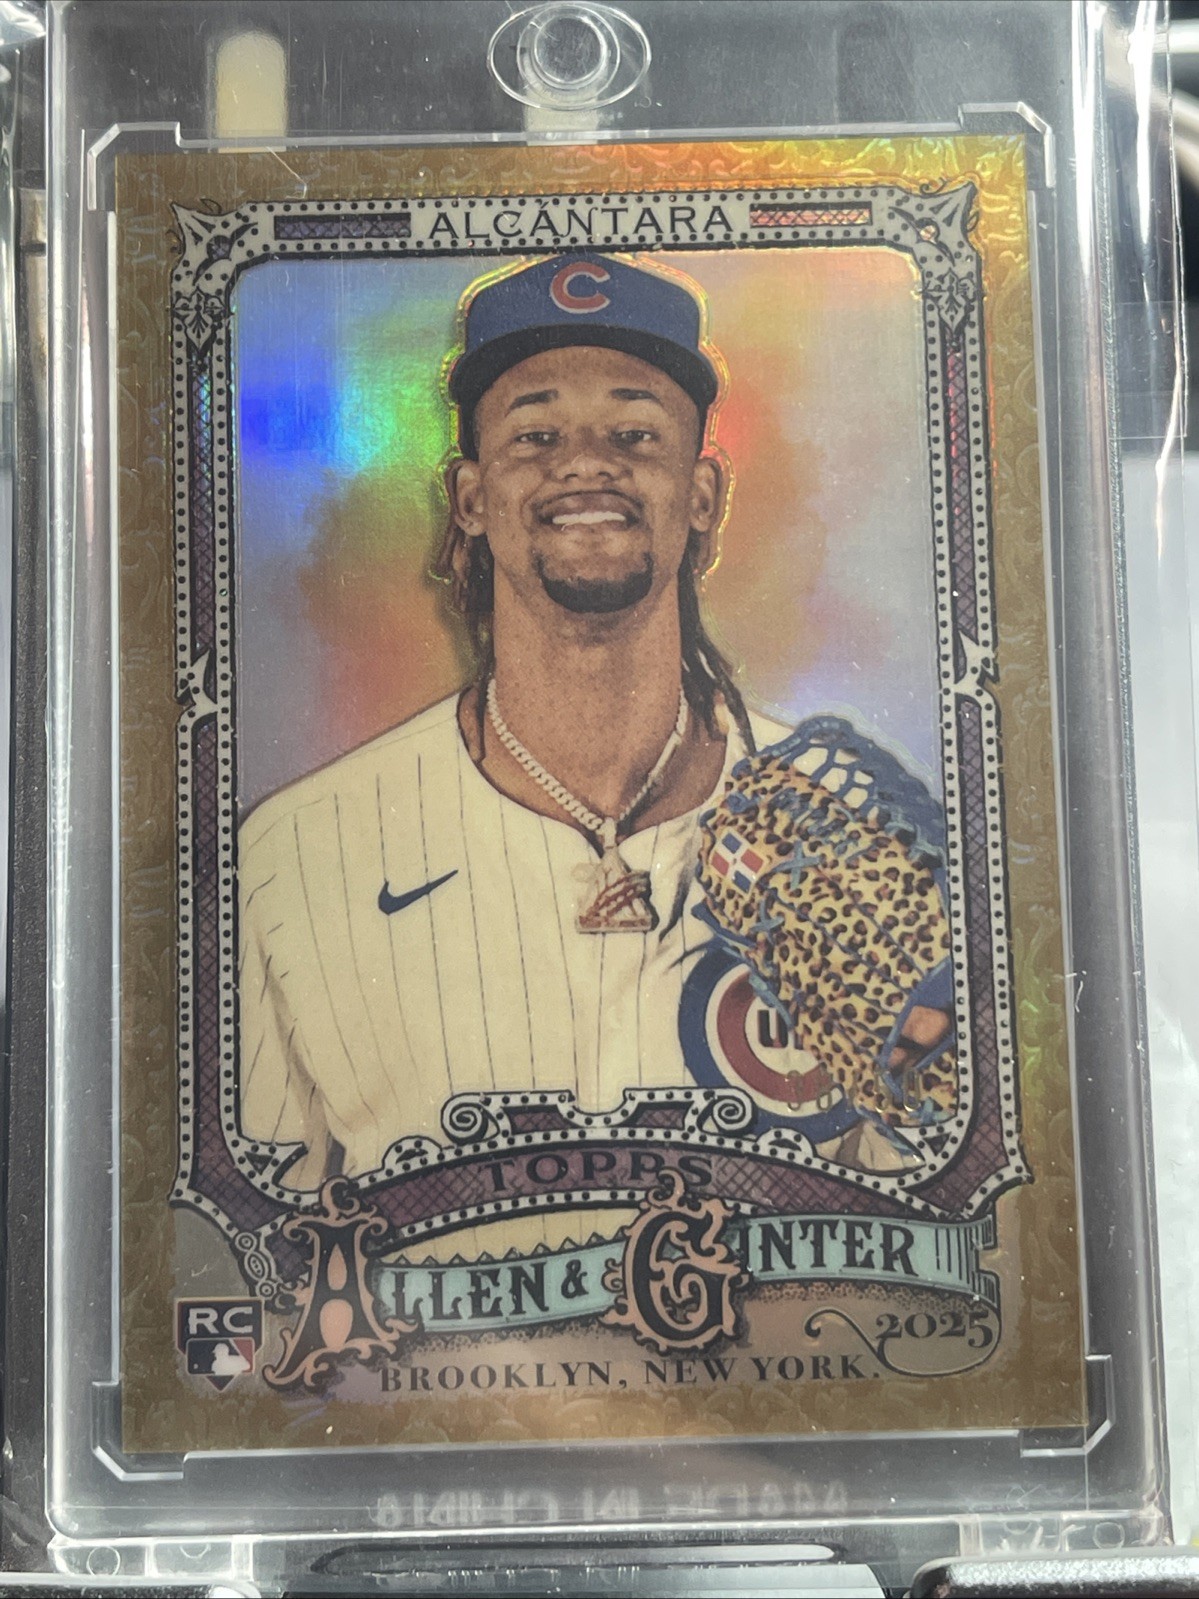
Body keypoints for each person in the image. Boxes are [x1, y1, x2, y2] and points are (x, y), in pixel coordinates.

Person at [237, 252, 924, 1213]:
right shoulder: (296, 855)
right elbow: (262, 1248)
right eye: (536, 434)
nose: (586, 462)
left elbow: (923, 1214)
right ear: (470, 498)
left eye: (635, 432)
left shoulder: (850, 843)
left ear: (702, 495)